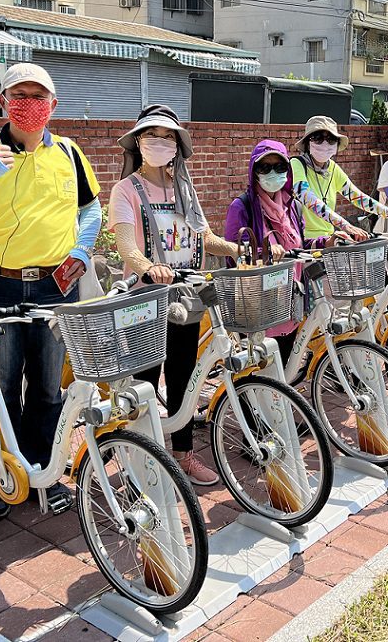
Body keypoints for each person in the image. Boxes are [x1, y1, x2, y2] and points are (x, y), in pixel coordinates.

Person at [0, 63, 101, 511]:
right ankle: (3, 478)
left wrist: (84, 250)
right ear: (3, 100)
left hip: (57, 285)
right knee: (5, 385)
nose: (29, 105)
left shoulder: (69, 153)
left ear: (54, 105)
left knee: (50, 387)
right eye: (20, 95)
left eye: (38, 97)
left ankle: (42, 474)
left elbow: (90, 210)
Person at [108, 105, 239, 487]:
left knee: (184, 378)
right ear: (137, 142)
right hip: (144, 303)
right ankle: (143, 459)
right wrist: (148, 267)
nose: (160, 143)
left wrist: (234, 248)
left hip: (186, 297)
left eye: (168, 137)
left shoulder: (185, 188)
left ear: (178, 145)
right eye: (152, 136)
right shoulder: (125, 189)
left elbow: (204, 238)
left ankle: (183, 454)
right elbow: (126, 246)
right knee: (145, 383)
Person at [224, 140, 347, 367]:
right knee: (259, 373)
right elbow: (234, 253)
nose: (273, 173)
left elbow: (298, 247)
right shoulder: (241, 207)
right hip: (256, 305)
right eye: (265, 167)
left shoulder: (292, 206)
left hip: (289, 300)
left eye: (279, 167)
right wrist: (264, 251)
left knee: (283, 367)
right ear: (254, 171)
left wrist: (325, 242)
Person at [291, 115, 388, 240]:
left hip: (328, 238)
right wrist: (345, 225)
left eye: (331, 139)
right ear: (308, 143)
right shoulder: (297, 164)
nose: (325, 143)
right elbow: (307, 197)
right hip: (303, 241)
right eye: (318, 138)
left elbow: (358, 197)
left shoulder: (332, 168)